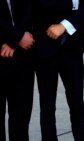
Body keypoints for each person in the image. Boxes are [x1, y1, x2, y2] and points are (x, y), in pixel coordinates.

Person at [32, 0, 84, 140]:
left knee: (77, 102)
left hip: (73, 49)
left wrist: (64, 25)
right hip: (45, 48)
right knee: (47, 104)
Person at [0, 0, 35, 140]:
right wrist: (16, 38)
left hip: (22, 58)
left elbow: (32, 9)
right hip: (5, 48)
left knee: (21, 118)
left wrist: (16, 40)